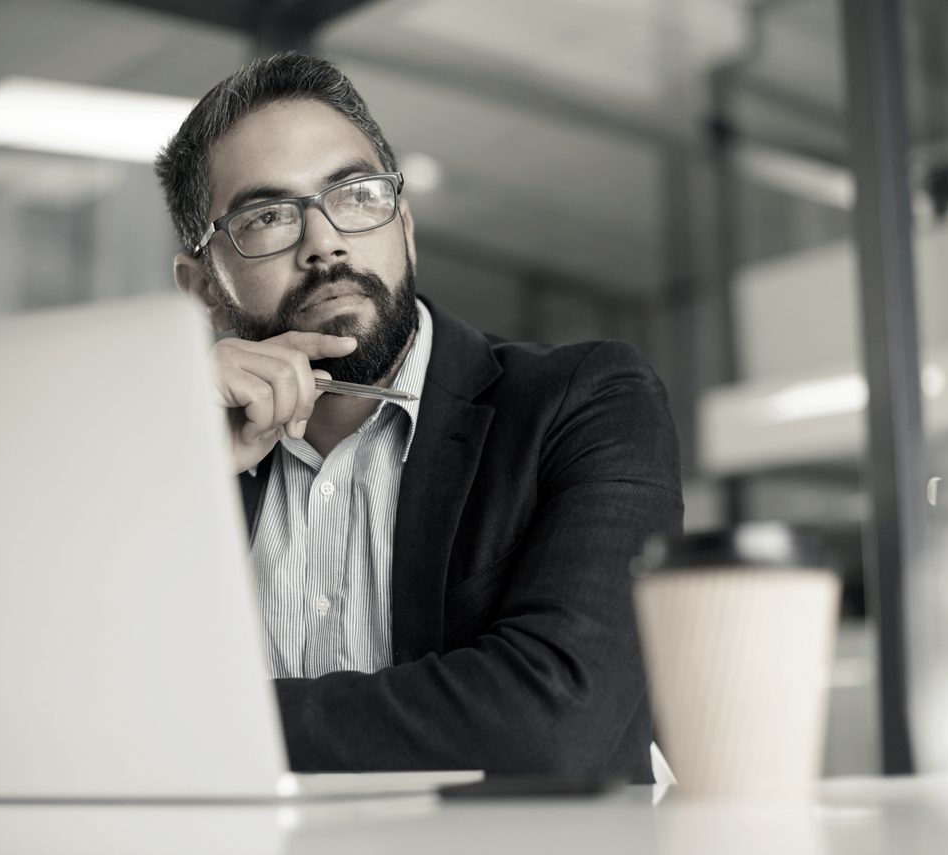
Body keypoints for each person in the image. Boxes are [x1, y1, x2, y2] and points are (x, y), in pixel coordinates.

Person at [155, 53, 683, 782]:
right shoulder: (169, 462)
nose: (325, 243)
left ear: (403, 224)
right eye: (268, 216)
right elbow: (53, 710)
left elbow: (553, 729)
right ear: (203, 290)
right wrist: (176, 468)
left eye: (357, 194)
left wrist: (193, 728)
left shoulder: (586, 403)